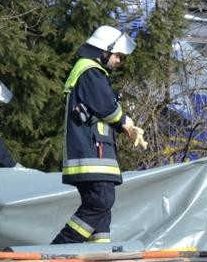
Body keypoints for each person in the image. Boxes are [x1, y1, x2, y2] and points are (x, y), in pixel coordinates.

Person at [52, 25, 146, 244]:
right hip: (91, 152)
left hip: (94, 151)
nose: (119, 61)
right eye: (118, 56)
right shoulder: (90, 71)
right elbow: (105, 106)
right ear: (104, 50)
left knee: (102, 206)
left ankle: (98, 255)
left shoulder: (91, 72)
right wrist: (125, 122)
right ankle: (62, 248)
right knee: (100, 202)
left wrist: (124, 125)